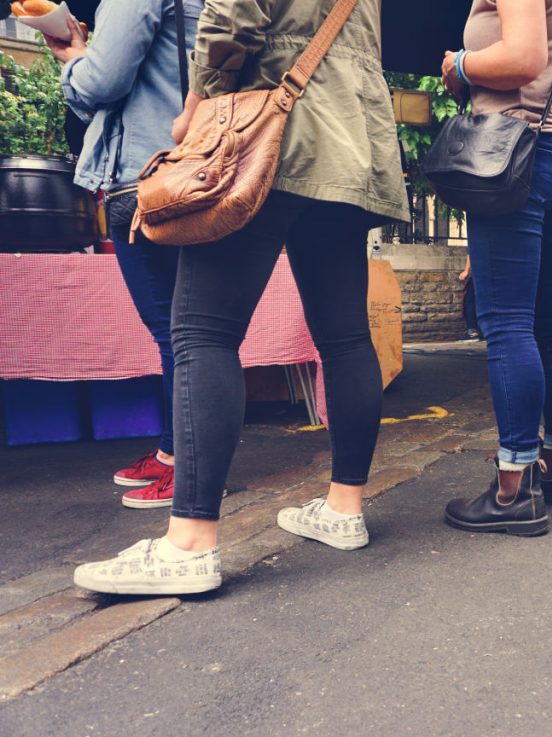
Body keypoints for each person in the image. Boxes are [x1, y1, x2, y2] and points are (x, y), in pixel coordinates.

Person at [73, 0, 408, 595]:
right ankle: (344, 508)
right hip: (352, 138)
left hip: (269, 127)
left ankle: (190, 544)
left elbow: (231, 19)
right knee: (346, 334)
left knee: (203, 332)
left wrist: (195, 110)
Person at [441, 0, 552, 537]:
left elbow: (524, 57)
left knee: (506, 322)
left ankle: (513, 488)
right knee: (548, 321)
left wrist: (459, 65)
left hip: (513, 148)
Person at [43, 0, 201, 509]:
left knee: (180, 334)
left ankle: (194, 470)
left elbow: (100, 84)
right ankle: (177, 453)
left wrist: (74, 58)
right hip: (183, 169)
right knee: (182, 331)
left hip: (148, 178)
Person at [458, 255, 482, 342]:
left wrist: (466, 271)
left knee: (470, 300)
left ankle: (473, 332)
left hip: (481, 272)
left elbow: (471, 252)